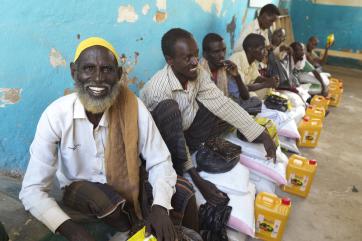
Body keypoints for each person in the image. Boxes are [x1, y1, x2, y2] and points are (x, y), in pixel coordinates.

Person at [19, 37, 197, 241]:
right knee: (108, 204)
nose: (97, 79)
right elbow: (32, 190)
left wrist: (160, 207)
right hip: (82, 186)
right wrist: (74, 232)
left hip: (131, 182)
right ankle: (136, 229)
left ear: (118, 74)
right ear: (73, 72)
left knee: (184, 191)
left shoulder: (133, 107)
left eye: (106, 69)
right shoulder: (56, 115)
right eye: (88, 68)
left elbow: (160, 161)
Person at [140, 28, 277, 206]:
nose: (195, 62)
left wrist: (262, 134)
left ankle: (190, 154)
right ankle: (182, 169)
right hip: (163, 144)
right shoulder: (159, 90)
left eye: (196, 55)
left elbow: (222, 104)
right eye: (187, 58)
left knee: (217, 106)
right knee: (170, 109)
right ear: (170, 61)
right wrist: (198, 181)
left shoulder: (198, 74)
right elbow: (174, 137)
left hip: (185, 131)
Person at [201, 33, 263, 115]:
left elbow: (245, 97)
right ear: (205, 54)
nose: (222, 55)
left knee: (256, 101)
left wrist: (237, 76)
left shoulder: (225, 68)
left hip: (227, 108)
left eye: (223, 50)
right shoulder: (200, 72)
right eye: (216, 52)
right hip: (209, 114)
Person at [230, 33, 279, 99]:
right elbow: (243, 88)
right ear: (250, 49)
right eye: (262, 49)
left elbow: (256, 78)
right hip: (235, 97)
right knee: (254, 96)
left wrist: (271, 80)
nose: (265, 52)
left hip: (244, 94)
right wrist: (266, 84)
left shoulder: (252, 62)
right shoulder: (236, 59)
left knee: (269, 90)